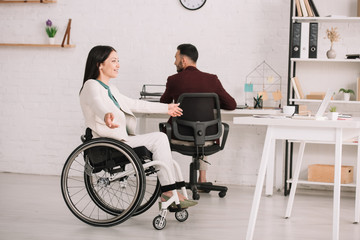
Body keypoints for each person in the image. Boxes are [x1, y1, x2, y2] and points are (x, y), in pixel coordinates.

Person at [79, 45, 197, 208]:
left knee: (160, 138)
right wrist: (106, 115)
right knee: (160, 138)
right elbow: (96, 103)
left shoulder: (111, 90)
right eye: (113, 61)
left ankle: (170, 191)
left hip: (122, 141)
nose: (118, 65)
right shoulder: (91, 85)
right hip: (109, 144)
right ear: (100, 64)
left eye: (118, 61)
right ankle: (169, 192)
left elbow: (135, 104)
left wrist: (166, 108)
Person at [160, 43, 236, 183]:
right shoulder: (212, 79)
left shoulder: (173, 80)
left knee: (170, 133)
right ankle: (202, 179)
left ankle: (169, 181)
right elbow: (231, 105)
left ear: (183, 60)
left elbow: (164, 103)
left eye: (176, 58)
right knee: (201, 126)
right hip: (207, 137)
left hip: (179, 136)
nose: (174, 62)